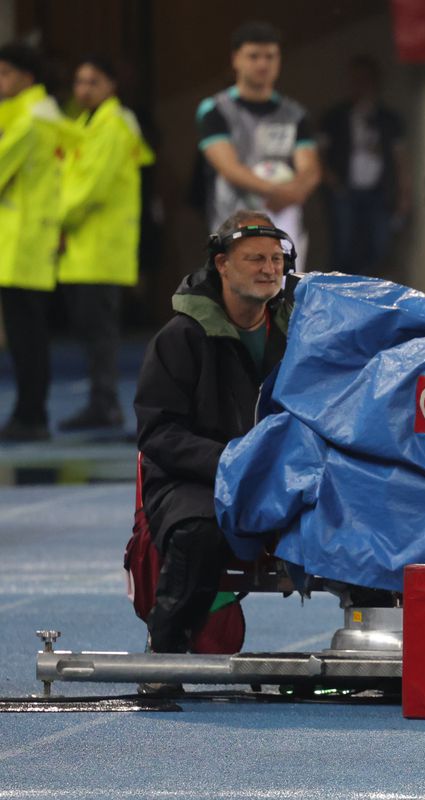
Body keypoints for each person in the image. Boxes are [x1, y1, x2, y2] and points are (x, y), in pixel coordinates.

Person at [134, 210, 291, 658]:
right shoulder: (180, 337)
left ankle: (385, 640)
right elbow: (158, 432)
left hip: (283, 474)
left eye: (276, 260)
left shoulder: (297, 332)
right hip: (193, 480)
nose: (268, 270)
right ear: (221, 264)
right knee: (199, 529)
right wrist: (231, 460)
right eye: (255, 259)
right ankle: (166, 648)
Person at [58, 55, 155, 431]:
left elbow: (93, 185)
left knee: (100, 332)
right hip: (85, 246)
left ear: (111, 85)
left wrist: (57, 220)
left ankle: (107, 403)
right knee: (89, 330)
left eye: (93, 81)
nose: (84, 89)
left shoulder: (114, 124)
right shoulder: (86, 122)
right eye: (80, 81)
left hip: (101, 245)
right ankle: (102, 401)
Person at [196, 21, 319, 270]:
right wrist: (274, 191)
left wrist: (295, 191)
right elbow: (228, 166)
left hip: (285, 223)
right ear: (236, 59)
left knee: (284, 296)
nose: (263, 64)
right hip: (233, 223)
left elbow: (310, 168)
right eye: (254, 56)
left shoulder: (295, 114)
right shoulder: (215, 111)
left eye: (270, 56)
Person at [0, 43, 74, 442]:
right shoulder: (45, 115)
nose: (0, 82)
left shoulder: (29, 121)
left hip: (21, 241)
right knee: (30, 332)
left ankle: (30, 415)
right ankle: (31, 412)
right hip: (31, 236)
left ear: (27, 77)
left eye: (5, 74)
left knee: (26, 333)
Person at [319, 55, 410, 275]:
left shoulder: (388, 119)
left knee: (380, 248)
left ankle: (369, 293)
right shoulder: (335, 117)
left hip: (379, 193)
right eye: (356, 80)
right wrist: (332, 182)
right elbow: (317, 154)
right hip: (344, 191)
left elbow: (400, 159)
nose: (361, 86)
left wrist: (404, 195)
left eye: (366, 80)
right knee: (343, 248)